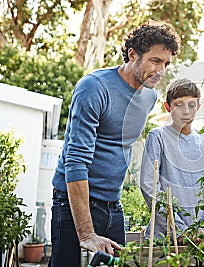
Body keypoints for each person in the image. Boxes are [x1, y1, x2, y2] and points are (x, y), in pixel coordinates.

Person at [49, 20, 181, 267]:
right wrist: (86, 233)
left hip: (112, 206)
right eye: (155, 61)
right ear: (133, 55)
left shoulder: (149, 97)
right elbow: (75, 161)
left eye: (166, 63)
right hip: (73, 205)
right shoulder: (94, 88)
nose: (162, 71)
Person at [140, 77, 204, 243]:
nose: (186, 111)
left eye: (191, 105)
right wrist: (179, 230)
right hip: (166, 239)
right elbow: (149, 186)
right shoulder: (158, 137)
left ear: (198, 107)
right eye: (179, 104)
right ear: (168, 107)